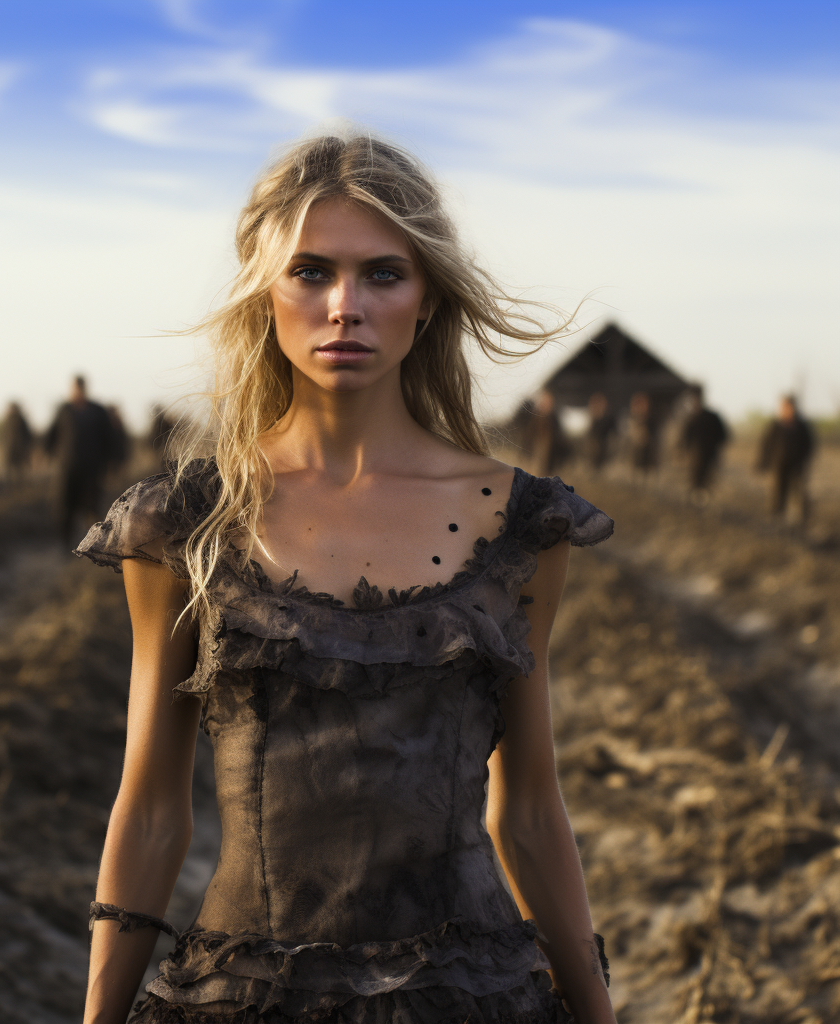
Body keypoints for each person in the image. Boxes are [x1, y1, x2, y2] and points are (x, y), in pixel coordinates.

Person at [76, 132, 617, 1024]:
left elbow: (527, 811)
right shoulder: (185, 523)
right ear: (264, 291)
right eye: (311, 272)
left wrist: (596, 1012)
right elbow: (150, 806)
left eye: (382, 275)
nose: (344, 307)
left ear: (428, 299)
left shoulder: (520, 523)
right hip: (245, 999)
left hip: (471, 999)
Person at [45, 376, 115, 548]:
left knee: (91, 507)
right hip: (67, 470)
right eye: (74, 388)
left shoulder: (97, 411)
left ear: (85, 389)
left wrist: (112, 462)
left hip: (92, 470)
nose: (77, 392)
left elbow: (109, 438)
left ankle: (93, 546)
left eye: (80, 388)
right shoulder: (64, 410)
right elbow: (51, 435)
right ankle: (65, 543)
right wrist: (44, 454)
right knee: (64, 507)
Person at [757, 394, 815, 525]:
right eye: (784, 407)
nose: (787, 409)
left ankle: (802, 519)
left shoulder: (802, 426)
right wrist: (762, 462)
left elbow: (809, 445)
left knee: (799, 492)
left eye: (790, 406)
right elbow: (767, 445)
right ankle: (776, 517)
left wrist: (805, 459)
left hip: (797, 465)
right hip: (779, 465)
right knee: (777, 491)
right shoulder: (775, 426)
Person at [678, 386, 729, 498]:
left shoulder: (712, 417)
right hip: (694, 458)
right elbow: (684, 438)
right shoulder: (690, 419)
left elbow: (724, 436)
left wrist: (712, 446)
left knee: (707, 482)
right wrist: (683, 451)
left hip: (710, 457)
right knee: (695, 482)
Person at [526, 389, 571, 476]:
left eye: (549, 401)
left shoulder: (555, 420)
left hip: (551, 459)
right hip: (537, 454)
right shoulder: (535, 418)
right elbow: (529, 437)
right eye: (545, 401)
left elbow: (560, 440)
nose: (547, 404)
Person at [625, 391, 658, 480]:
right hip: (632, 463)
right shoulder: (629, 423)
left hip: (648, 463)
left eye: (643, 404)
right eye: (638, 404)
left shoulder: (652, 422)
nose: (641, 407)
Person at [1, 401, 34, 484]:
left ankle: (18, 482)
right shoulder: (9, 420)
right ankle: (10, 483)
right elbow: (4, 434)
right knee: (10, 468)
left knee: (19, 468)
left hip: (18, 447)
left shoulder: (20, 420)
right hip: (11, 448)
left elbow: (27, 434)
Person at [583, 392, 617, 472]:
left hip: (606, 461)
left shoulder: (609, 421)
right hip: (590, 461)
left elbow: (613, 441)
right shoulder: (588, 422)